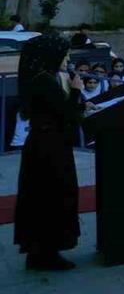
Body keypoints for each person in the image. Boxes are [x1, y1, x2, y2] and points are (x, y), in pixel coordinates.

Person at [14, 35, 84, 270]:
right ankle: (47, 253)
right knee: (51, 197)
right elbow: (67, 114)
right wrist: (76, 91)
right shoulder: (44, 81)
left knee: (41, 197)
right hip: (50, 148)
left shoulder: (41, 77)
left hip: (44, 144)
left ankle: (39, 251)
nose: (68, 58)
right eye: (64, 54)